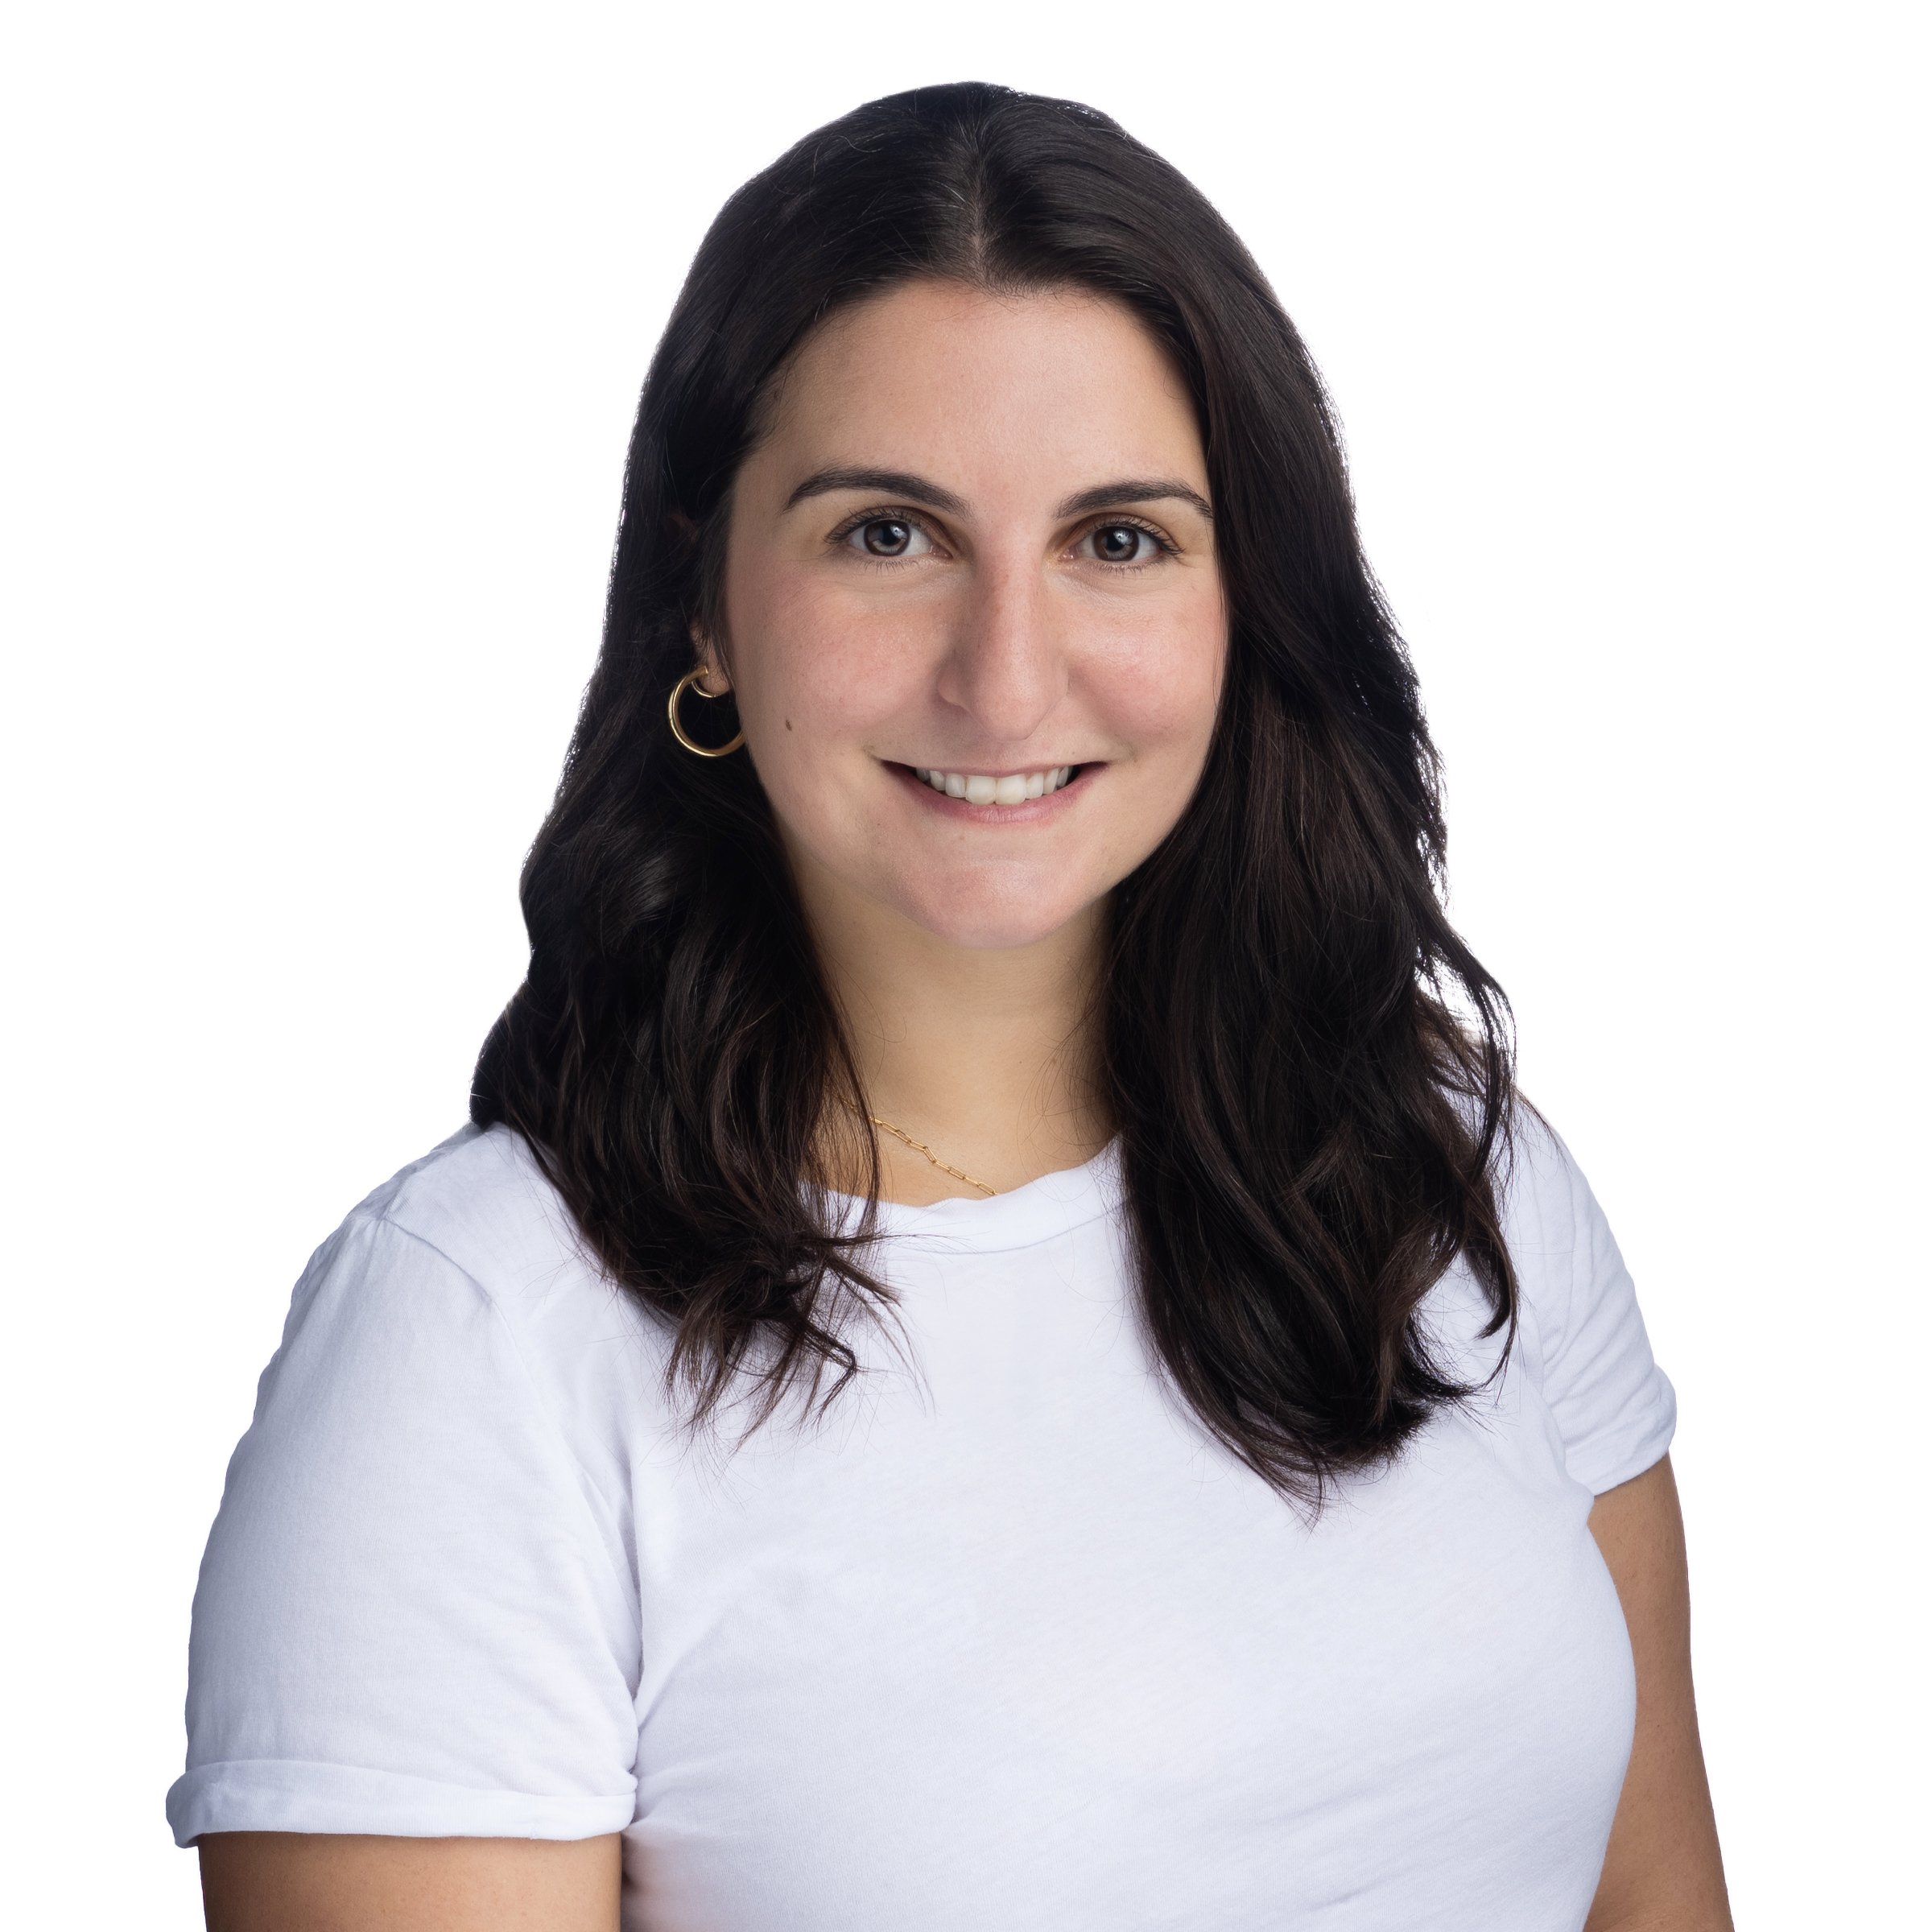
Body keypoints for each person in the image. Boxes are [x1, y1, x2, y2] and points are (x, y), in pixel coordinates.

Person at [169, 82, 1732, 1931]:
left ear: (1251, 607)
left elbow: (1660, 1902)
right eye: (888, 535)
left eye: (1120, 540)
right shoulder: (475, 1344)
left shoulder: (1445, 1164)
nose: (1006, 678)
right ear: (705, 604)